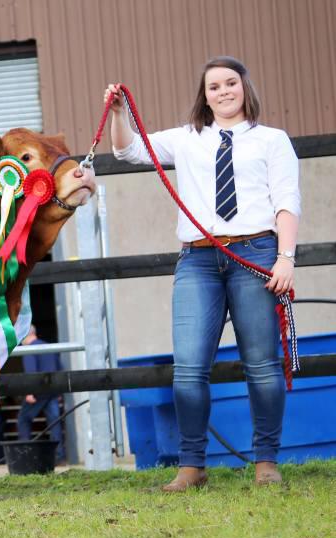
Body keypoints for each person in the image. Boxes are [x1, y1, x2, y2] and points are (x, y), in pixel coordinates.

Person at [104, 56, 300, 491]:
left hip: (256, 254)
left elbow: (286, 201)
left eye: (231, 83)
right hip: (197, 260)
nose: (224, 91)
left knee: (262, 365)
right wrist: (119, 113)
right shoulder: (186, 139)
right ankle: (192, 466)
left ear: (245, 87)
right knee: (189, 367)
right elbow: (128, 149)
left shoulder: (272, 140)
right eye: (214, 86)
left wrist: (285, 257)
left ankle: (266, 461)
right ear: (204, 95)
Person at [17, 325, 65, 463]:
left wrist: (29, 392)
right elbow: (60, 369)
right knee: (54, 422)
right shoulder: (49, 347)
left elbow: (31, 371)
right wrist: (59, 392)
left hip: (38, 392)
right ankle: (58, 456)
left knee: (23, 419)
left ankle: (24, 455)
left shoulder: (29, 349)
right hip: (52, 392)